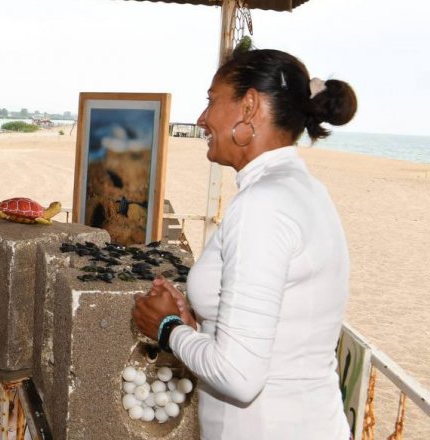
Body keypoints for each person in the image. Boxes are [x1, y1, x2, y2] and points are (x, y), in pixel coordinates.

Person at [132, 47, 357, 440]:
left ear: (249, 107)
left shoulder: (262, 205)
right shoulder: (302, 190)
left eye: (211, 101)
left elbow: (239, 376)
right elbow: (278, 334)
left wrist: (167, 328)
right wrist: (195, 331)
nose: (202, 119)